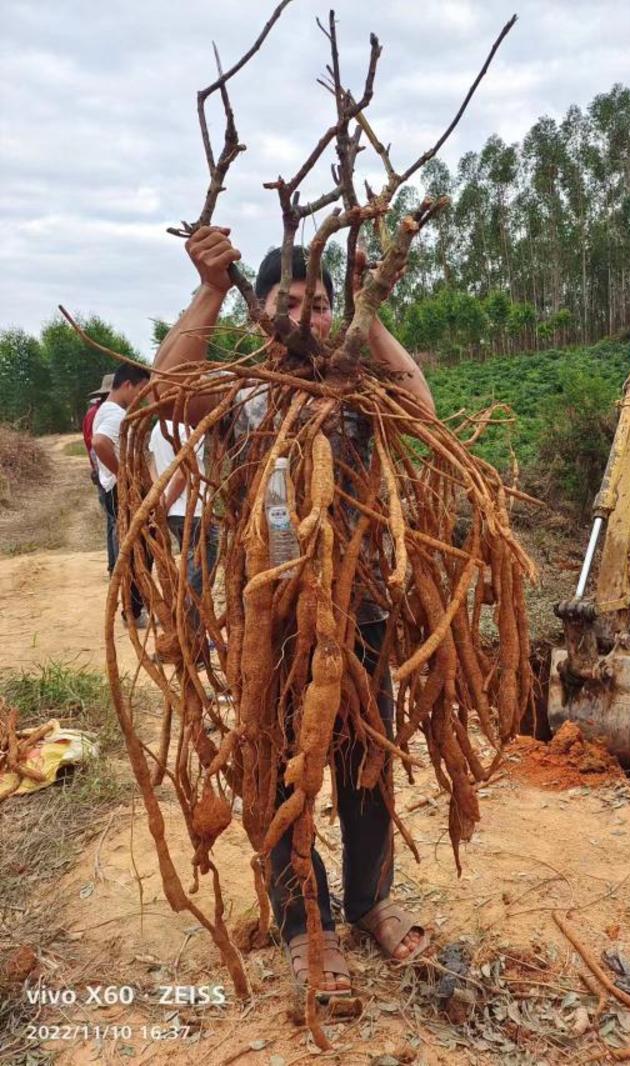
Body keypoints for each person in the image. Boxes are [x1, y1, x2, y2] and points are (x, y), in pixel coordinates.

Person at [153, 225, 434, 996]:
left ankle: (371, 902)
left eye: (320, 305)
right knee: (276, 769)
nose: (307, 318)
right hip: (268, 623)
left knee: (366, 760)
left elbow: (424, 405)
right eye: (291, 302)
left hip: (361, 611)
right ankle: (300, 923)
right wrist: (211, 287)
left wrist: (369, 312)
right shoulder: (239, 389)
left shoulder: (360, 389)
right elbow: (164, 390)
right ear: (261, 312)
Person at [92, 363, 152, 628]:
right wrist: (124, 475)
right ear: (127, 385)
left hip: (114, 488)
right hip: (120, 490)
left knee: (134, 547)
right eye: (140, 389)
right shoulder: (116, 414)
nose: (141, 395)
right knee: (139, 548)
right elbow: (99, 443)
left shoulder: (105, 409)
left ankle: (134, 608)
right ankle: (134, 611)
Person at [148, 419, 218, 635]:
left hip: (174, 514)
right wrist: (166, 502)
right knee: (197, 579)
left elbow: (150, 461)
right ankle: (193, 640)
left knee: (192, 572)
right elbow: (182, 473)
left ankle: (193, 635)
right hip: (193, 511)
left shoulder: (158, 427)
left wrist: (160, 498)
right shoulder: (184, 427)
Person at [83, 373, 115, 574]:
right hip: (107, 474)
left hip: (101, 472)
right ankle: (115, 566)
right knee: (115, 521)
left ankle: (114, 564)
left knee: (112, 520)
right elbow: (96, 445)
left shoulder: (93, 412)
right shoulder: (101, 413)